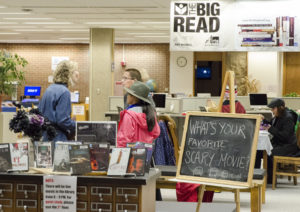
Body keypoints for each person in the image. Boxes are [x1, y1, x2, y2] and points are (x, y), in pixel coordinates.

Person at [256, 98, 299, 183]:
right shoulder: (279, 115)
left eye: (273, 108)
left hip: (288, 147)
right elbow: (272, 124)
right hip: (280, 144)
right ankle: (256, 177)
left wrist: (271, 129)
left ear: (280, 108)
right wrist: (264, 120)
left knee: (268, 152)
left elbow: (285, 136)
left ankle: (270, 179)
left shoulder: (288, 118)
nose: (272, 111)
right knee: (258, 151)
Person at [39, 60, 78, 142]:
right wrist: (77, 125)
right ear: (68, 74)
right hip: (58, 137)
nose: (78, 74)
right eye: (75, 71)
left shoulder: (49, 89)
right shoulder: (64, 92)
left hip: (45, 135)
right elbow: (63, 121)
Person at [117, 81, 160, 147]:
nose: (127, 96)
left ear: (134, 97)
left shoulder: (129, 115)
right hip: (146, 154)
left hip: (132, 155)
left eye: (128, 94)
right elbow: (156, 133)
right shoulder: (150, 113)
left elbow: (124, 139)